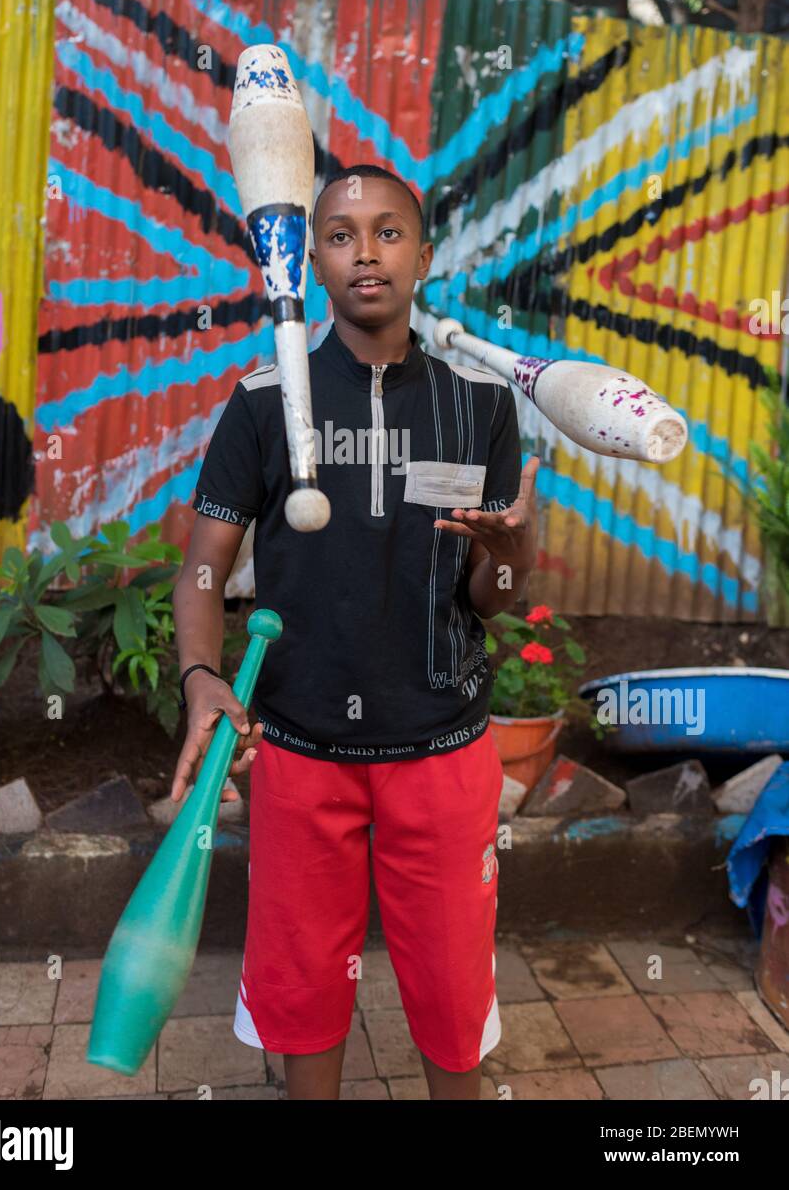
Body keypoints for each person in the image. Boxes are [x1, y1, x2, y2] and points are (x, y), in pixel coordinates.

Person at [171, 164, 539, 1100]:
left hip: (442, 749)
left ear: (422, 256)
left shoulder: (481, 404)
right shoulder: (261, 403)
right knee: (303, 990)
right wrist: (202, 677)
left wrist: (512, 551)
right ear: (310, 263)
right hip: (299, 749)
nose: (364, 251)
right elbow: (203, 568)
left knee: (453, 993)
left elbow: (492, 595)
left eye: (386, 232)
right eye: (338, 234)